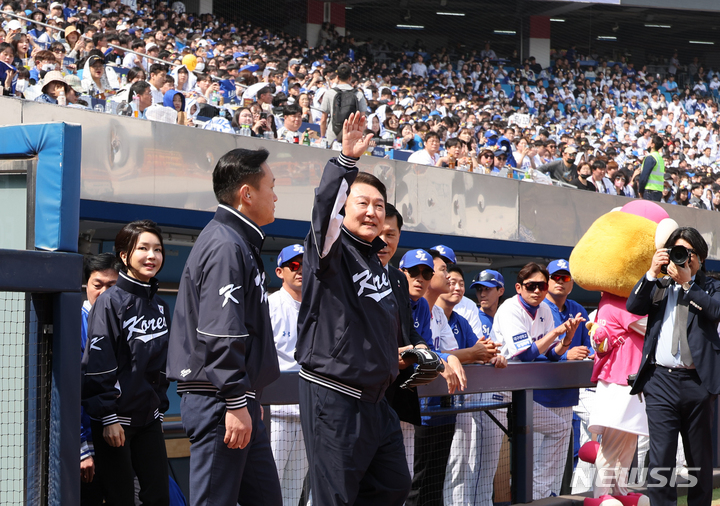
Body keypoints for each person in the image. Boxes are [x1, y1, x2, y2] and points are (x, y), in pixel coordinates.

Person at [296, 113, 412, 505]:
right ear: (344, 208)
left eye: (379, 206)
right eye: (362, 203)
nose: (372, 212)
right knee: (335, 498)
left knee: (393, 486)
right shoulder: (330, 250)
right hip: (335, 396)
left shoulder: (376, 260)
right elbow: (323, 214)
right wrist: (345, 161)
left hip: (377, 402)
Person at [167, 148, 282, 506]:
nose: (276, 196)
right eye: (271, 187)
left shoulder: (238, 242)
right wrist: (235, 399)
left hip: (237, 397)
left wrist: (246, 397)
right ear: (247, 194)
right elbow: (221, 331)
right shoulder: (225, 244)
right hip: (219, 399)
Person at [627, 227, 720, 506]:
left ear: (700, 259)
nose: (681, 259)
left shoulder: (711, 286)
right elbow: (634, 305)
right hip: (660, 382)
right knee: (661, 459)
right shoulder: (660, 283)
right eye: (676, 252)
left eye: (688, 254)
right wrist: (651, 274)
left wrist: (689, 284)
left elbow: (715, 312)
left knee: (699, 459)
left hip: (698, 383)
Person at [81, 220, 170, 506]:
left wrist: (159, 406)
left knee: (158, 497)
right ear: (124, 256)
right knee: (120, 500)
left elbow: (160, 366)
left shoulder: (160, 305)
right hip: (116, 421)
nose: (151, 256)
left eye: (157, 249)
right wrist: (108, 417)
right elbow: (98, 363)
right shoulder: (109, 301)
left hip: (149, 420)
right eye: (142, 248)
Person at [490, 262, 585, 499]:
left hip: (520, 395)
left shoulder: (543, 310)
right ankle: (534, 492)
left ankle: (539, 492)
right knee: (481, 470)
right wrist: (556, 333)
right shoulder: (510, 308)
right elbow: (526, 354)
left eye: (541, 286)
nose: (536, 291)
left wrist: (565, 341)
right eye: (531, 286)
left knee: (560, 428)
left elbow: (551, 354)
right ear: (519, 287)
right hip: (493, 394)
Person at [442, 266, 507, 506]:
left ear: (500, 290)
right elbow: (445, 353)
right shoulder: (433, 314)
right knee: (450, 470)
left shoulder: (460, 319)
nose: (482, 294)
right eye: (479, 289)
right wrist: (473, 353)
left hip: (462, 401)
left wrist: (490, 357)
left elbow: (479, 352)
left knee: (465, 468)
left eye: (487, 289)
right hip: (439, 403)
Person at [536, 260, 593, 495]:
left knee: (557, 466)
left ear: (571, 284)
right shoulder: (538, 308)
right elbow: (530, 352)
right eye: (555, 277)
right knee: (536, 465)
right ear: (547, 280)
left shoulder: (577, 307)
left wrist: (584, 353)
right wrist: (565, 354)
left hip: (567, 396)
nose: (560, 282)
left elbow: (590, 349)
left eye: (565, 278)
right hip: (539, 397)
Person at [268, 244, 308, 506]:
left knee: (294, 491)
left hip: (306, 411)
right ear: (280, 271)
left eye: (305, 264)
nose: (301, 270)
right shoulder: (269, 304)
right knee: (268, 486)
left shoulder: (319, 306)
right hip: (275, 415)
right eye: (294, 265)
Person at [80, 253, 121, 506]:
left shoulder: (126, 322)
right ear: (86, 284)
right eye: (98, 285)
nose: (104, 292)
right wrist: (81, 448)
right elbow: (69, 391)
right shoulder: (74, 322)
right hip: (87, 445)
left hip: (121, 440)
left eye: (112, 285)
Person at [319, 63, 367, 148]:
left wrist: (323, 137)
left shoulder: (330, 93)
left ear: (337, 77)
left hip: (332, 135)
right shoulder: (358, 94)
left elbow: (323, 119)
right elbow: (362, 119)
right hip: (351, 137)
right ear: (350, 78)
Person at [638, 135, 665, 201]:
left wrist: (640, 190)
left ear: (653, 145)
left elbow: (644, 176)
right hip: (658, 190)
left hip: (650, 190)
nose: (647, 143)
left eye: (649, 141)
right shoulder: (660, 158)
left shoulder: (650, 157)